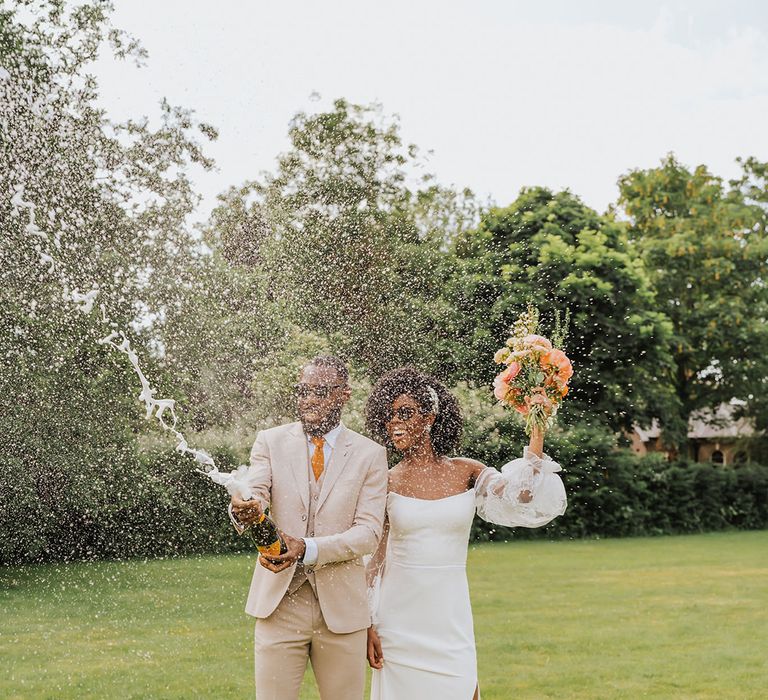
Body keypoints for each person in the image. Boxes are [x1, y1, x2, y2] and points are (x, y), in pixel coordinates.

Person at [364, 367, 567, 700]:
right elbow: (374, 557)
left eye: (405, 413)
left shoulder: (466, 471)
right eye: (389, 416)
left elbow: (522, 495)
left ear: (429, 418)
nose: (395, 422)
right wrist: (367, 620)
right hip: (398, 618)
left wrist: (537, 428)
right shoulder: (385, 480)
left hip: (449, 610)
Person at [229, 356, 388, 700]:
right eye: (302, 391)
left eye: (320, 391)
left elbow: (369, 533)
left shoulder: (370, 454)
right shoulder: (270, 441)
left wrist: (307, 548)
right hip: (279, 605)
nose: (308, 400)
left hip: (343, 612)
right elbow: (254, 489)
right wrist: (245, 507)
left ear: (344, 394)